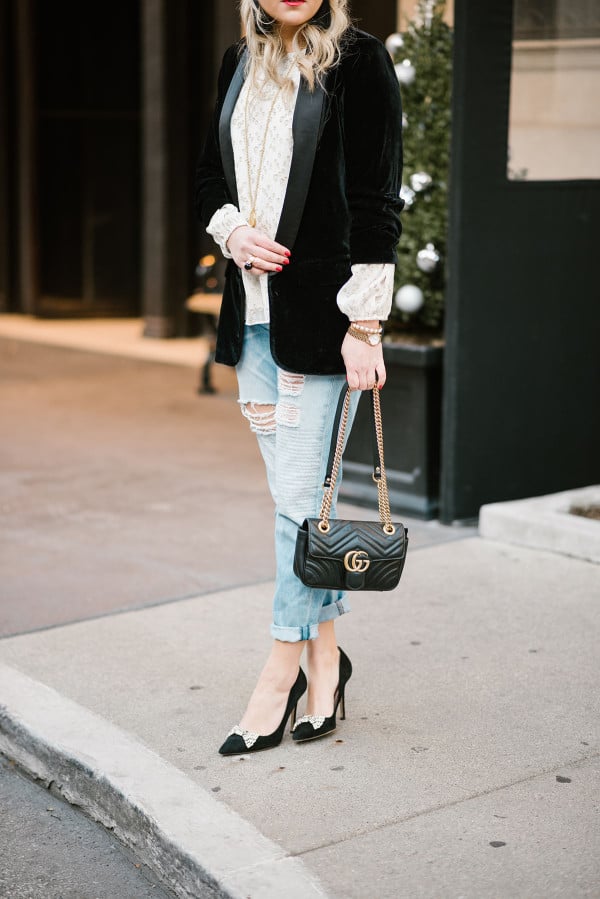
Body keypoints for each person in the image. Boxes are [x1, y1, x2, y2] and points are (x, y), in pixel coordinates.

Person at [195, 0, 403, 755]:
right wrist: (234, 231)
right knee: (300, 505)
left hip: (324, 325)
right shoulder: (236, 62)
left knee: (293, 508)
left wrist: (366, 324)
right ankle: (327, 660)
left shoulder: (360, 61)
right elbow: (206, 176)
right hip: (250, 320)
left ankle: (278, 671)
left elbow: (379, 202)